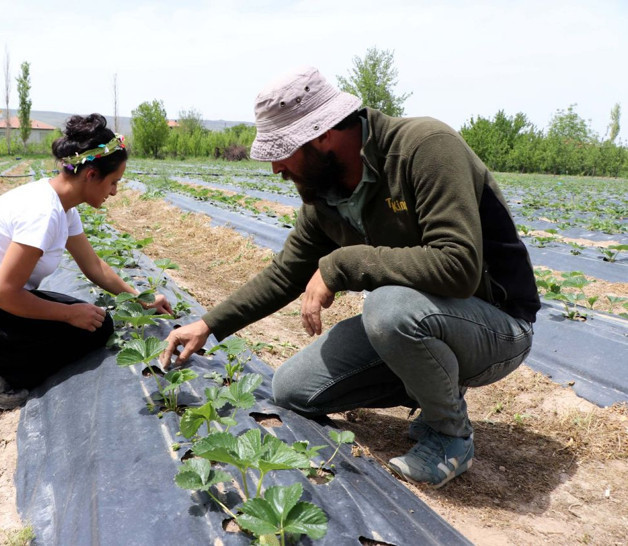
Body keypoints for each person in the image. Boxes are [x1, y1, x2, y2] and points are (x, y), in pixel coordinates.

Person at [162, 66, 539, 488]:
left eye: (282, 151)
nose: (275, 168)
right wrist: (209, 325)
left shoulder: (425, 147)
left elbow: (459, 266)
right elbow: (286, 273)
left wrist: (340, 265)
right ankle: (430, 383)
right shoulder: (325, 193)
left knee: (389, 309)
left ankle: (450, 436)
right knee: (291, 390)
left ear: (322, 134)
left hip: (496, 324)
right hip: (421, 320)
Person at [0, 113, 171, 411]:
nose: (114, 191)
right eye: (114, 182)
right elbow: (2, 294)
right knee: (89, 328)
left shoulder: (62, 206)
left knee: (95, 319)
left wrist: (140, 299)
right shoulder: (43, 213)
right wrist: (68, 315)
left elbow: (93, 266)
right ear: (90, 175)